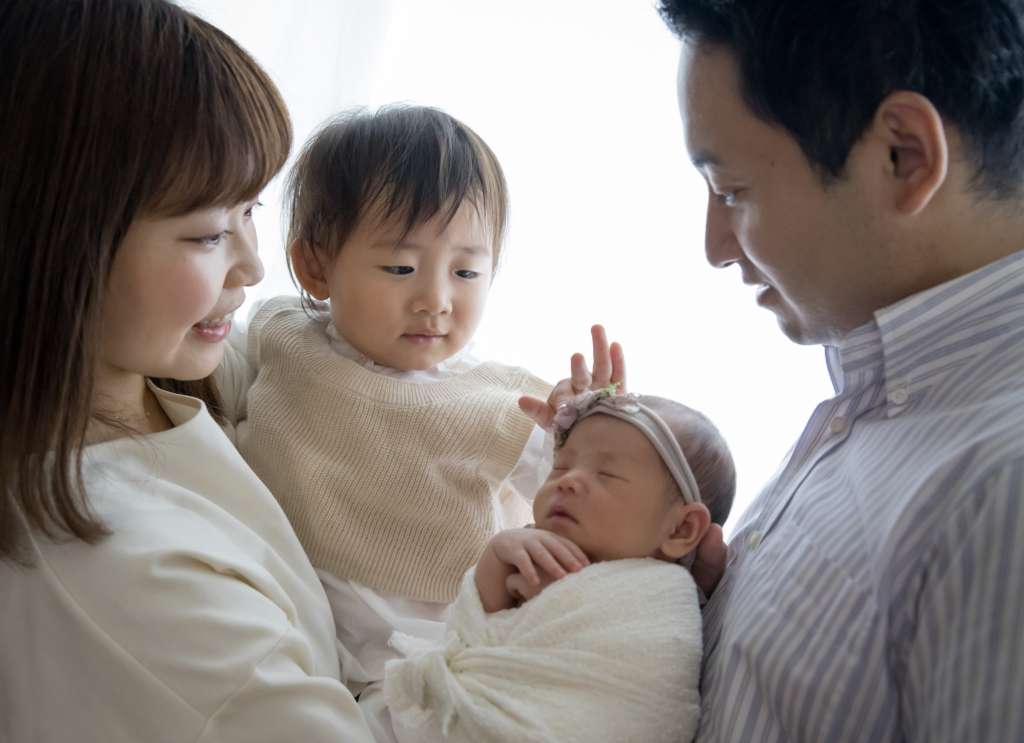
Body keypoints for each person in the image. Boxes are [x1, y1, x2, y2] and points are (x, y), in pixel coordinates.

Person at [0, 1, 377, 740]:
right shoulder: (128, 582)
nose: (254, 262)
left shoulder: (148, 376)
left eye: (251, 208)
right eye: (207, 232)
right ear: (53, 237)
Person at [652, 1, 1024, 741]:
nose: (715, 245)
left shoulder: (1000, 490)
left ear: (904, 157)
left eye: (732, 192)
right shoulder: (875, 399)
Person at [214, 105, 625, 743]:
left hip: (447, 648)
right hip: (311, 638)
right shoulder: (279, 334)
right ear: (315, 267)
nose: (436, 298)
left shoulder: (504, 404)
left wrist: (588, 427)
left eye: (466, 272)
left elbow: (587, 490)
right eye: (401, 268)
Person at [382, 388, 736, 743]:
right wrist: (496, 553)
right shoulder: (530, 550)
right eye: (561, 467)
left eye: (607, 474)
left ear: (681, 529)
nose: (567, 480)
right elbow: (468, 637)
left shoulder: (661, 593)